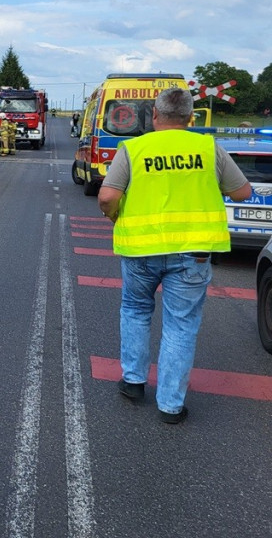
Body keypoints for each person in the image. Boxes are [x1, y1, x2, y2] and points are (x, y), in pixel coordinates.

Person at [98, 87, 251, 424]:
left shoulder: (133, 149)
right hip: (192, 254)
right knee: (181, 326)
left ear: (154, 115)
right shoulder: (208, 148)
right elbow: (242, 192)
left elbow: (108, 195)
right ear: (191, 118)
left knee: (136, 310)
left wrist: (114, 216)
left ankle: (134, 382)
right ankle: (170, 405)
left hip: (141, 249)